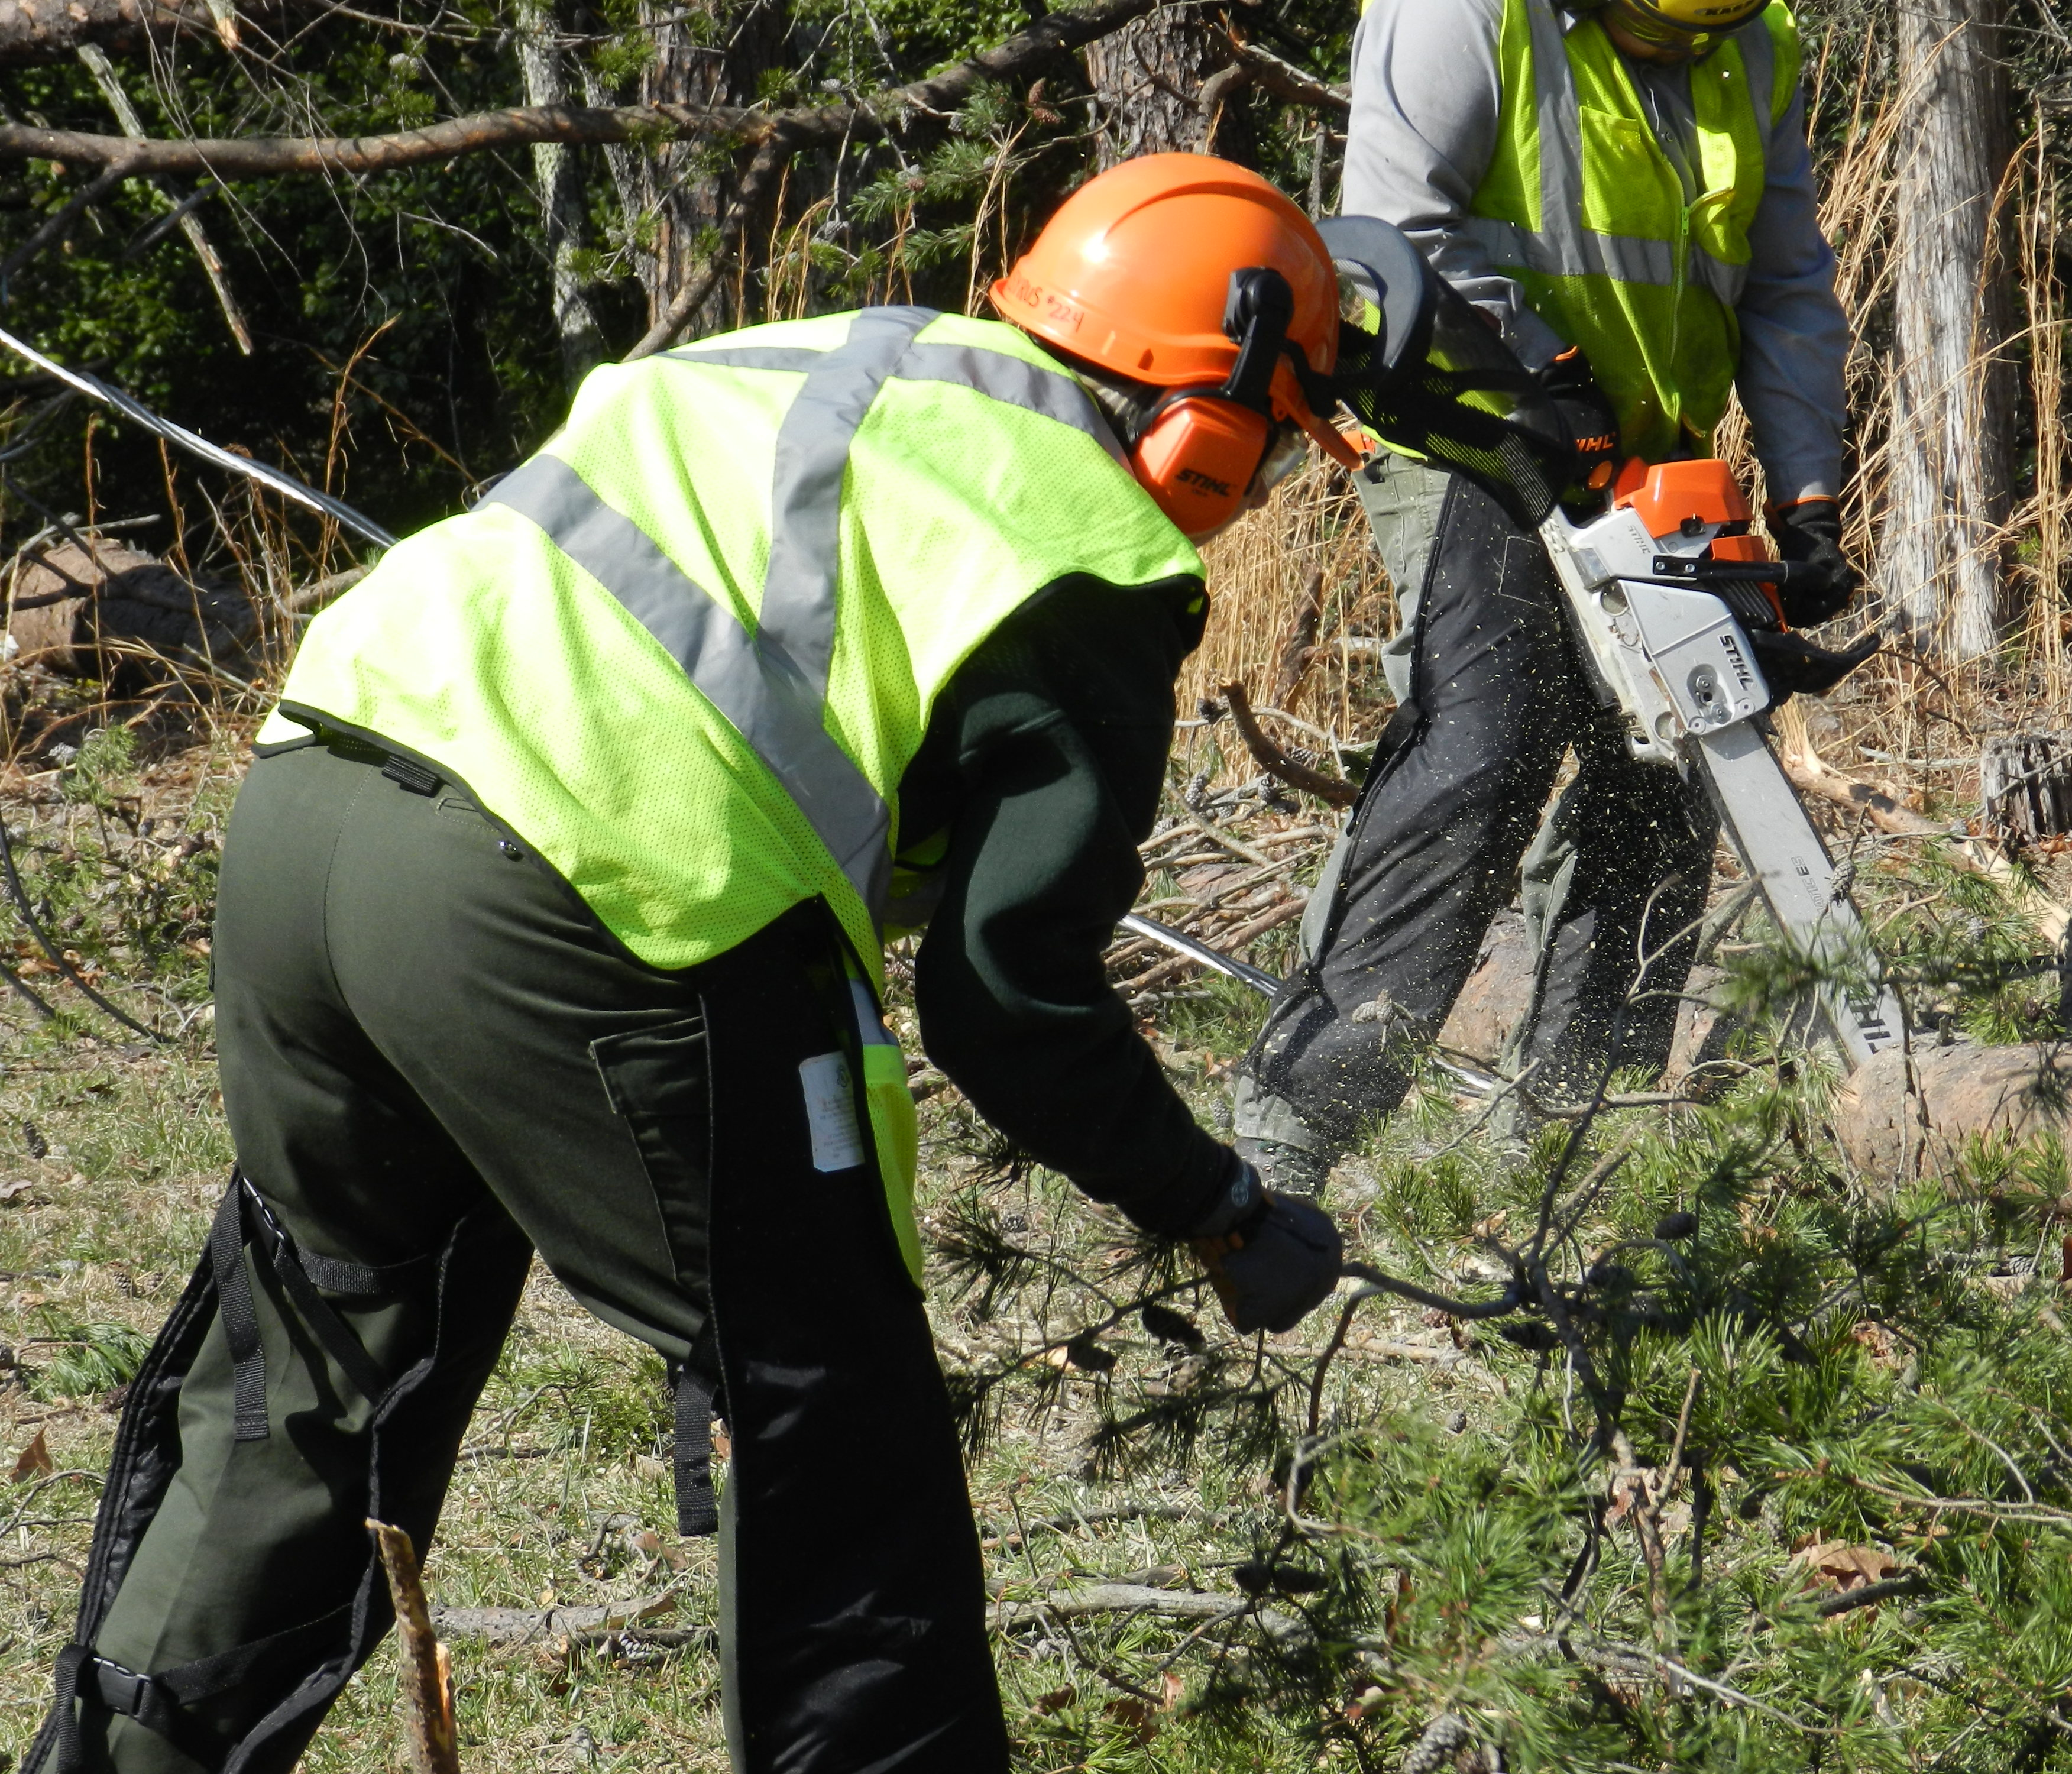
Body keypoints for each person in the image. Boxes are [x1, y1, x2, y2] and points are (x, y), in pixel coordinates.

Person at [26, 153, 1348, 1774]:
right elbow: (1013, 1000)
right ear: (1209, 420)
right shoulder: (1085, 542)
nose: (1260, 491)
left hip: (311, 802)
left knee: (306, 1381)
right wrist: (1214, 1209)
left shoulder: (834, 354)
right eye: (1277, 453)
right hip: (578, 890)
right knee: (834, 1431)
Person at [1232, 0, 1860, 1193]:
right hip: (1464, 430)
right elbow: (1387, 229)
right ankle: (1289, 1132)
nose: (1676, 48)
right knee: (1485, 739)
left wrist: (1807, 494)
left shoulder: (1753, 40)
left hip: (1645, 447)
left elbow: (1782, 284)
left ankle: (1578, 1130)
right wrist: (1537, 379)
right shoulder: (1462, 13)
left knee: (1671, 767)